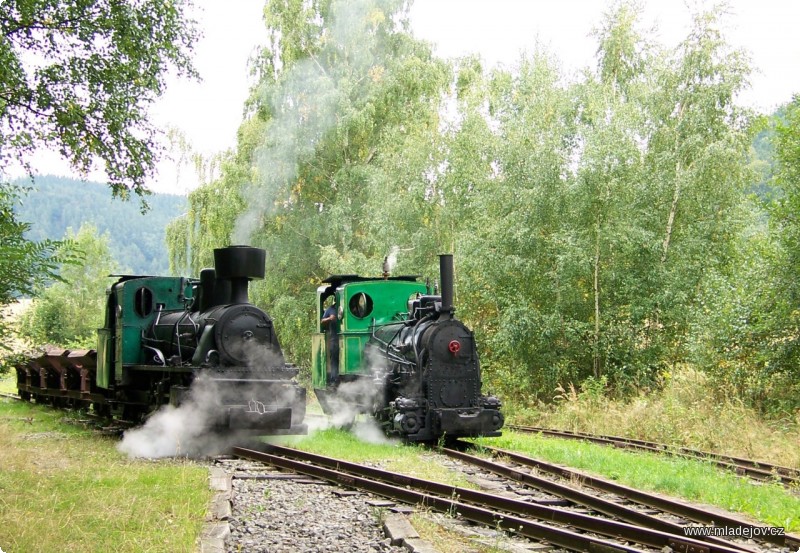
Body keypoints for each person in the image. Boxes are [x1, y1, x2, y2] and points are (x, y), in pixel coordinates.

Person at [321, 297, 339, 385]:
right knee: (334, 359)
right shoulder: (330, 309)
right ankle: (334, 378)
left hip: (342, 337)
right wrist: (330, 319)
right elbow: (322, 320)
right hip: (334, 338)